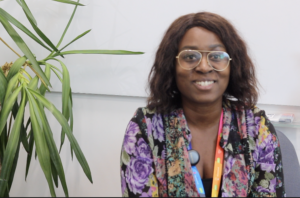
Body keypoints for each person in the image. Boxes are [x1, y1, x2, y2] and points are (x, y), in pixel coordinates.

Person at [120, 12, 285, 197]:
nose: (204, 67)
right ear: (171, 65)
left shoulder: (256, 126)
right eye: (190, 57)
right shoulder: (145, 126)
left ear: (232, 64)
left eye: (216, 56)